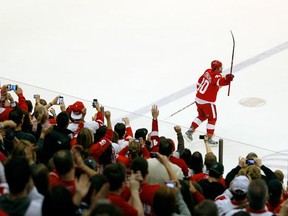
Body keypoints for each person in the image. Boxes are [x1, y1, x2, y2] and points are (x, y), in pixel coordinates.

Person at [185, 60, 234, 144]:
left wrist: (201, 95)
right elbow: (220, 81)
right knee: (212, 118)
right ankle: (209, 138)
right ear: (218, 68)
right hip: (207, 102)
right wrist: (227, 79)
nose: (222, 68)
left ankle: (190, 131)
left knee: (202, 116)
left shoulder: (207, 71)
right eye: (221, 67)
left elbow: (199, 82)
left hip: (198, 98)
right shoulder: (216, 75)